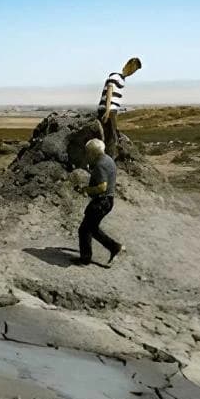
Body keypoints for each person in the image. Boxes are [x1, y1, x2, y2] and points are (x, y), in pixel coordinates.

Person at [76, 138, 124, 266]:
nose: (87, 155)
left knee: (84, 230)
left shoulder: (100, 165)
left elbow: (102, 186)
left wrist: (86, 190)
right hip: (108, 200)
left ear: (93, 153)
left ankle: (85, 259)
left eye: (88, 153)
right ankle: (114, 247)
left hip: (101, 202)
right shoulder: (108, 159)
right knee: (93, 228)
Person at [97, 57, 141, 158]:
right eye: (133, 68)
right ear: (127, 65)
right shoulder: (115, 76)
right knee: (110, 139)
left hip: (112, 111)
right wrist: (107, 111)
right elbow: (109, 93)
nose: (132, 72)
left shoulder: (122, 80)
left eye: (135, 71)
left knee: (113, 137)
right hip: (107, 109)